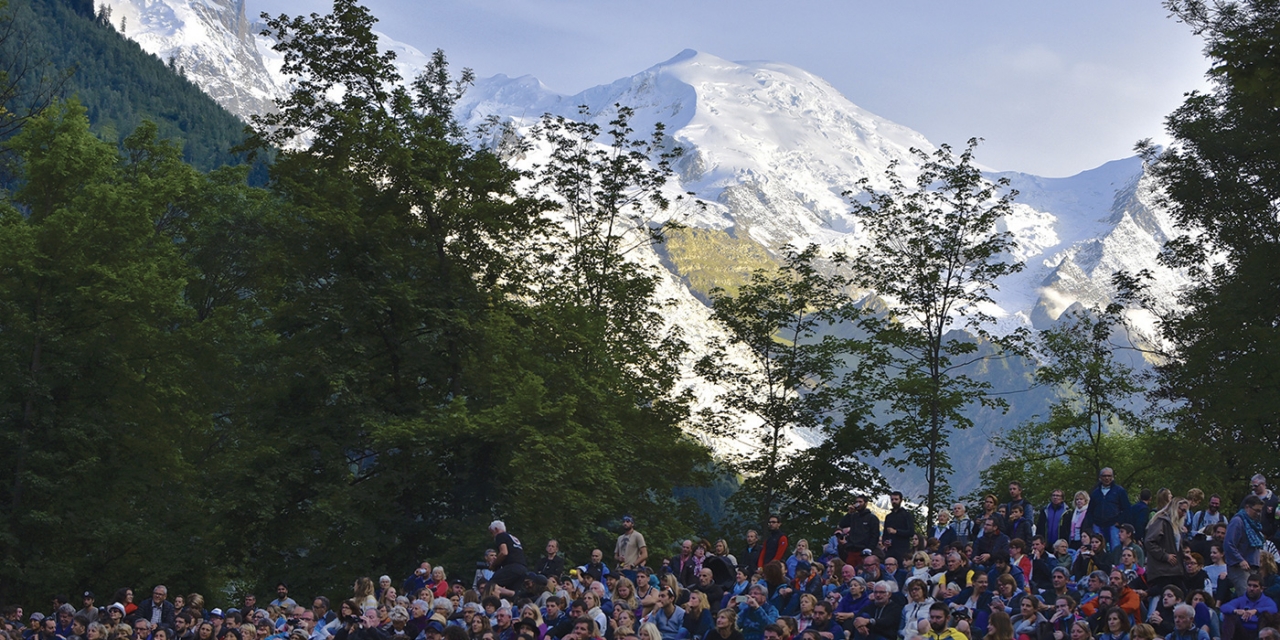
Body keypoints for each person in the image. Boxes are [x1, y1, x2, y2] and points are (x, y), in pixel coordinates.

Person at [1227, 497, 1268, 599]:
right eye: (1256, 510)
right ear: (1247, 507)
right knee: (1247, 598)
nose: (1258, 514)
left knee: (1254, 598)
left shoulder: (1254, 524)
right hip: (1239, 568)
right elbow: (1229, 544)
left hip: (1252, 566)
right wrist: (1240, 560)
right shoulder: (1238, 521)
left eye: (1260, 511)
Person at [1220, 575, 1277, 640]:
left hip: (1259, 632)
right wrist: (1236, 611)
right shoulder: (1241, 600)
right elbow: (1224, 607)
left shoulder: (1266, 600)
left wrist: (1255, 611)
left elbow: (1274, 609)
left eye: (1255, 586)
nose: (1251, 588)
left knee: (1266, 615)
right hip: (1242, 632)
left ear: (1261, 589)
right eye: (1249, 585)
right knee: (1230, 615)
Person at [1089, 468, 1130, 551]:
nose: (1107, 478)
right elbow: (1090, 510)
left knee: (1115, 549)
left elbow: (1127, 508)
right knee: (1097, 549)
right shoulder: (1095, 492)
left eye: (1109, 476)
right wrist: (1091, 523)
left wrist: (1119, 522)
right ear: (1100, 477)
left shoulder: (1120, 491)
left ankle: (1115, 564)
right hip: (1098, 524)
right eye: (1104, 476)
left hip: (1113, 525)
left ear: (1113, 477)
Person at [488, 520, 528, 599]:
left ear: (496, 529)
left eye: (492, 533)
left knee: (491, 585)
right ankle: (513, 596)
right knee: (512, 592)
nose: (493, 536)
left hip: (512, 567)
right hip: (523, 568)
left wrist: (494, 564)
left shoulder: (500, 536)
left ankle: (508, 595)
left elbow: (504, 552)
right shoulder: (513, 538)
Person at [1245, 476, 1280, 543]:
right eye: (1252, 486)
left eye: (1256, 486)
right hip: (1249, 537)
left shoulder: (1274, 501)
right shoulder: (1248, 499)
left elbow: (1276, 521)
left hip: (1268, 539)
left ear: (1263, 484)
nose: (1253, 488)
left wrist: (1271, 536)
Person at [883, 493, 916, 563]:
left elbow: (911, 532)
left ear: (901, 500)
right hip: (890, 550)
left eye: (896, 499)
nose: (894, 501)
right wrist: (885, 542)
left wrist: (896, 532)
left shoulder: (906, 515)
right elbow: (885, 534)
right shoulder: (888, 517)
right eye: (892, 499)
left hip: (902, 550)